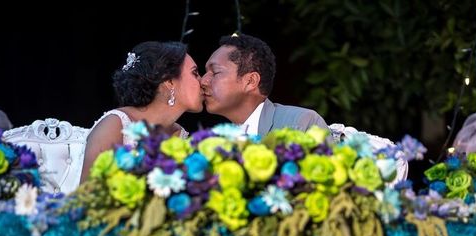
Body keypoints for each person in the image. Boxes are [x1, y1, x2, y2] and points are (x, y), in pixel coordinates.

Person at [81, 41, 203, 182]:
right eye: (195, 73)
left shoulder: (180, 135)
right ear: (169, 81)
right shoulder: (117, 124)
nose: (203, 81)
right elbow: (88, 195)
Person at [200, 34, 328, 135]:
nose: (203, 81)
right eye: (205, 72)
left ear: (251, 81)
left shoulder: (300, 123)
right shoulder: (219, 141)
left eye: (215, 72)